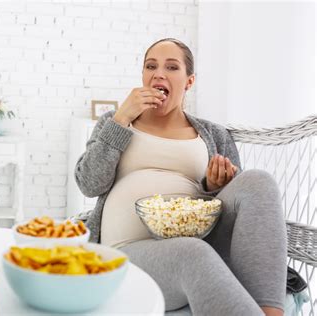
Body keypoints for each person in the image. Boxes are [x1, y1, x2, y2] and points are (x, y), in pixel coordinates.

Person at [74, 38, 286, 316]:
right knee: (191, 254)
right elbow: (89, 184)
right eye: (151, 66)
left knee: (259, 181)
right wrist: (122, 117)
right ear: (143, 76)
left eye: (172, 67)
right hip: (127, 251)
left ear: (189, 81)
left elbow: (235, 215)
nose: (159, 73)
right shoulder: (116, 122)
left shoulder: (213, 134)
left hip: (198, 240)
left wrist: (213, 187)